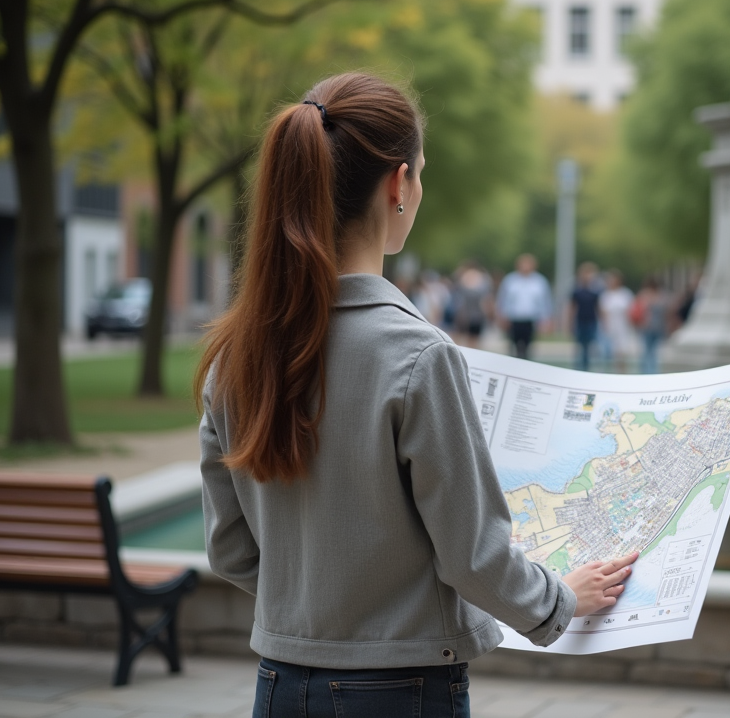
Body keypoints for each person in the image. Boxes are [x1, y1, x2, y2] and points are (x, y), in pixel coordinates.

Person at [195, 73, 635, 718]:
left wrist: (320, 610)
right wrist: (559, 601)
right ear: (398, 184)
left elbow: (230, 550)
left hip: (280, 684)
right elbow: (475, 558)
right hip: (400, 690)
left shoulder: (235, 355)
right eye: (421, 175)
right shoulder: (418, 356)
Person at [495, 253, 552, 360]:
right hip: (513, 319)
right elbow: (503, 300)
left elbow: (544, 302)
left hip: (530, 319)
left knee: (528, 347)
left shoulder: (540, 281)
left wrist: (545, 319)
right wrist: (501, 316)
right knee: (512, 346)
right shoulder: (510, 280)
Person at [598, 270, 635, 373]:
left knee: (622, 352)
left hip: (623, 326)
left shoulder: (625, 293)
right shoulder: (605, 294)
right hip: (609, 327)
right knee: (608, 352)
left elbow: (630, 310)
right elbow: (603, 312)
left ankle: (622, 373)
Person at [568, 261, 601, 371]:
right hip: (580, 321)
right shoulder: (577, 291)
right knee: (580, 346)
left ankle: (587, 368)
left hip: (591, 321)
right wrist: (570, 322)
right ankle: (579, 368)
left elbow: (598, 308)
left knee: (589, 346)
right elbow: (572, 308)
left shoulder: (595, 291)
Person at [451, 261, 492, 349]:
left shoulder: (480, 279)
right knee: (465, 339)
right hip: (467, 313)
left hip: (473, 314)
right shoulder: (480, 279)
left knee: (471, 340)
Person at [635, 276, 669, 375]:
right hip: (647, 327)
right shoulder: (645, 295)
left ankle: (651, 372)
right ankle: (646, 372)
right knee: (647, 351)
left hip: (656, 327)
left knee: (652, 352)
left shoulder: (660, 295)